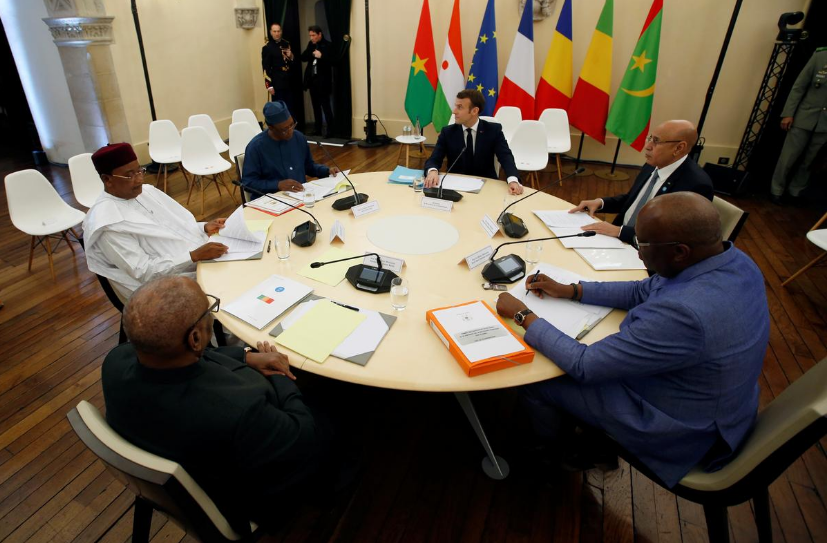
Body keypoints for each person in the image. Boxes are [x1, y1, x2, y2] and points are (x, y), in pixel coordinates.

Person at [496, 192, 770, 487]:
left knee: (540, 381)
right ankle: (579, 430)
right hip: (717, 400)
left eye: (643, 244)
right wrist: (572, 290)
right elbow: (645, 290)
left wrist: (523, 314)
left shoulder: (684, 314)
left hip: (682, 428)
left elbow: (584, 364)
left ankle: (549, 455)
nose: (638, 252)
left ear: (679, 251)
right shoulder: (732, 260)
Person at [102, 276, 331, 531]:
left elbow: (203, 354)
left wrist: (246, 356)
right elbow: (303, 435)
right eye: (208, 311)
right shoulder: (237, 410)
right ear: (195, 339)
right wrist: (283, 376)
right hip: (247, 498)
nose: (211, 315)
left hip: (185, 463)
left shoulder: (115, 362)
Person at [83, 143, 228, 300]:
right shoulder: (107, 223)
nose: (138, 180)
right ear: (107, 179)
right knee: (235, 289)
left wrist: (204, 228)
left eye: (140, 171)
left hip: (198, 260)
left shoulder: (147, 192)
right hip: (164, 288)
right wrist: (193, 256)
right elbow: (144, 272)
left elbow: (177, 226)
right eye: (129, 175)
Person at [570, 120, 713, 245]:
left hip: (648, 254)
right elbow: (633, 200)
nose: (647, 146)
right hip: (615, 238)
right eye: (650, 138)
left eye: (656, 141)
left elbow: (672, 237)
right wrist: (601, 203)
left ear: (679, 148)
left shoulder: (696, 186)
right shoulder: (652, 164)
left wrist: (621, 232)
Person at [424, 89, 524, 195]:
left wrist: (513, 180)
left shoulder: (493, 130)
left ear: (474, 111)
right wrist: (432, 171)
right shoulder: (448, 132)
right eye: (455, 106)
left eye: (460, 107)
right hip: (455, 187)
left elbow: (506, 157)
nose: (454, 111)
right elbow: (434, 159)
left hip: (486, 187)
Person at [241, 100, 339, 194]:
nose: (290, 131)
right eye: (284, 129)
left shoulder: (299, 138)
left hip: (300, 195)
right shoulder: (255, 147)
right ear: (271, 128)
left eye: (292, 125)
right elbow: (248, 183)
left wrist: (326, 171)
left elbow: (308, 166)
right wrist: (277, 185)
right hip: (273, 200)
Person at [770, 47, 827, 204]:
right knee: (788, 157)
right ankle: (776, 189)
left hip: (825, 125)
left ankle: (796, 190)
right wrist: (789, 113)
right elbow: (799, 86)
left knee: (810, 161)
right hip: (805, 117)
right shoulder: (821, 56)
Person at [301, 25, 334, 137]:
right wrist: (311, 53)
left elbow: (332, 61)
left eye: (314, 35)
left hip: (323, 82)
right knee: (315, 107)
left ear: (320, 34)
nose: (312, 38)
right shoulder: (311, 44)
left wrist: (321, 56)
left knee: (325, 106)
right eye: (310, 35)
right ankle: (318, 129)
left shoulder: (328, 45)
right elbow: (303, 57)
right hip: (312, 81)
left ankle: (330, 130)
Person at [261, 23, 295, 110]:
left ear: (281, 32)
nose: (277, 33)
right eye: (274, 31)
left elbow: (291, 63)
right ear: (271, 32)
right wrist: (269, 86)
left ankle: (291, 124)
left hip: (289, 81)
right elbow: (266, 68)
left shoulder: (286, 44)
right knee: (280, 109)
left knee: (290, 107)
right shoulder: (267, 48)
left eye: (278, 31)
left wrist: (291, 56)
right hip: (277, 82)